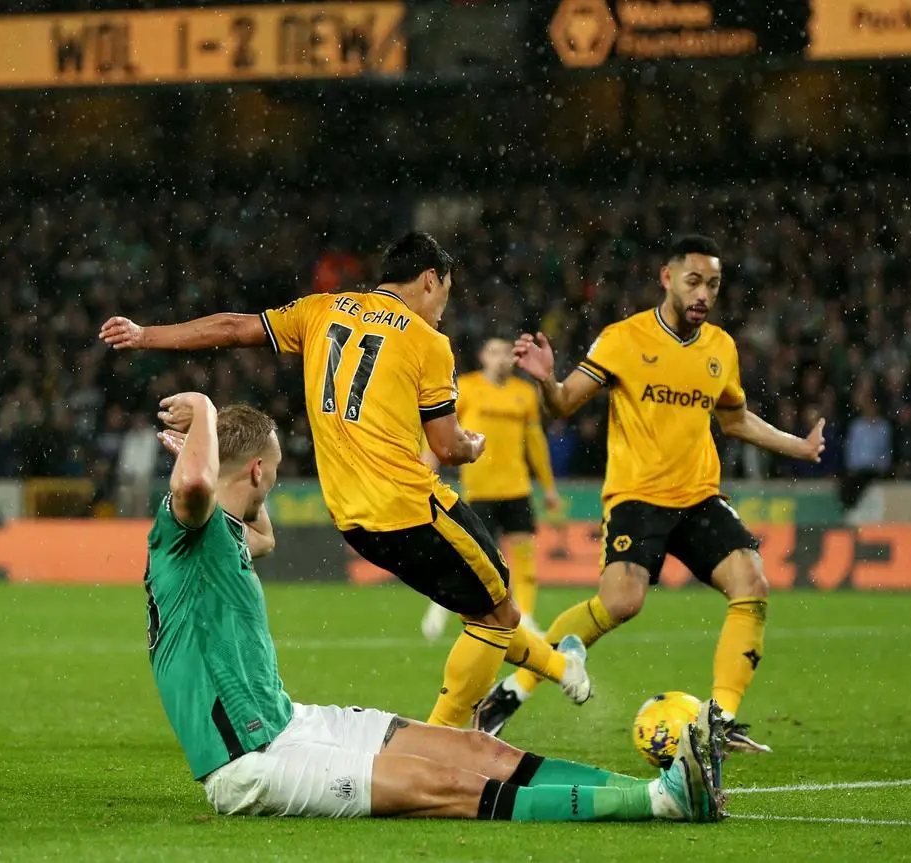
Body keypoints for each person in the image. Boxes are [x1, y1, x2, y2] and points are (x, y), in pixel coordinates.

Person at [145, 392, 727, 822]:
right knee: (443, 785)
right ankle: (658, 802)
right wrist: (201, 409)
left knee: (473, 748)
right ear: (258, 470)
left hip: (294, 721)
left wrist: (213, 452)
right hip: (250, 762)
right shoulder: (183, 527)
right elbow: (196, 487)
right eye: (270, 470)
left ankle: (667, 787)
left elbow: (260, 534)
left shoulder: (222, 532)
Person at [101, 232, 589, 729]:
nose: (445, 304)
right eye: (446, 290)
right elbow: (446, 447)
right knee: (498, 616)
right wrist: (473, 446)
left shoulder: (321, 311)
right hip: (412, 507)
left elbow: (231, 326)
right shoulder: (428, 342)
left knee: (482, 609)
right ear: (429, 279)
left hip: (355, 522)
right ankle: (441, 745)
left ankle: (559, 667)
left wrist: (145, 335)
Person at [476, 236, 825, 752]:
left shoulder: (720, 348)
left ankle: (720, 719)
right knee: (621, 602)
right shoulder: (624, 339)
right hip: (637, 496)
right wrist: (548, 381)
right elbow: (566, 403)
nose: (703, 293)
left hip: (700, 495)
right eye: (693, 281)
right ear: (667, 278)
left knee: (751, 583)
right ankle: (508, 694)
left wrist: (796, 445)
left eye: (713, 284)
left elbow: (733, 419)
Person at [421, 336, 560, 642]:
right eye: (494, 351)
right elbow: (439, 429)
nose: (501, 358)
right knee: (472, 558)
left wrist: (549, 487)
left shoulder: (524, 393)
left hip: (516, 489)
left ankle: (526, 618)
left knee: (524, 555)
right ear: (483, 356)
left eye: (507, 352)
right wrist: (427, 464)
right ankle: (440, 605)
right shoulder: (467, 388)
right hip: (479, 490)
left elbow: (536, 444)